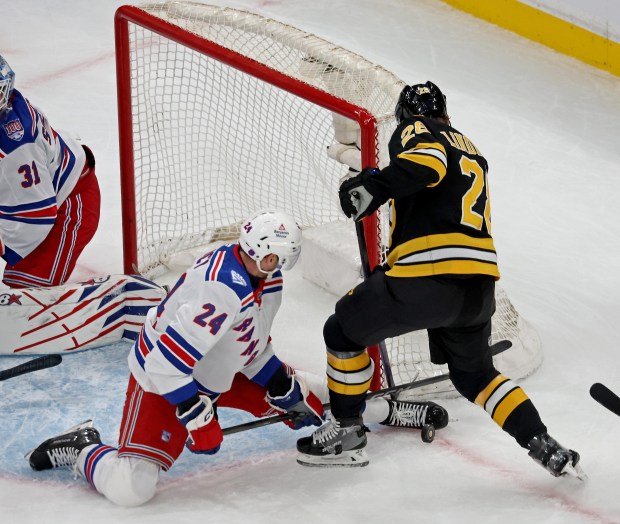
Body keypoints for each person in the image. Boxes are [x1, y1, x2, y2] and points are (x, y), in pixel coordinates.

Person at [26, 209, 448, 507]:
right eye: (275, 257)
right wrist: (198, 416)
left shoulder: (265, 280)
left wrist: (278, 385)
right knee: (132, 490)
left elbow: (248, 345)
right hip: (165, 382)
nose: (278, 264)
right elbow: (164, 363)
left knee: (310, 396)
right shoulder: (221, 289)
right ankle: (83, 448)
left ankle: (384, 409)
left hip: (218, 375)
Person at [296, 82, 585, 479]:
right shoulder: (471, 147)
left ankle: (346, 431)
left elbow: (428, 164)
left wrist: (373, 185)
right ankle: (542, 443)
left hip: (428, 278)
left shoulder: (417, 130)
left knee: (342, 330)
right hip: (478, 290)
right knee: (476, 375)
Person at [0, 55, 100, 289]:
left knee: (23, 300)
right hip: (27, 194)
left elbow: (38, 217)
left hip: (67, 208)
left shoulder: (15, 147)